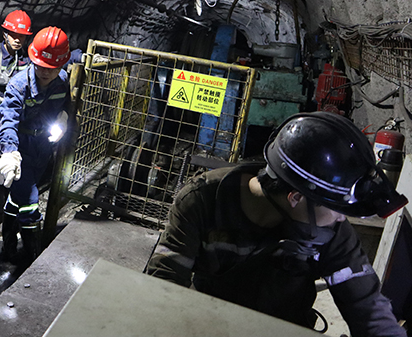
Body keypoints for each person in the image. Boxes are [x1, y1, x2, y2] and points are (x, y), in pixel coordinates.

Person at [146, 111, 408, 336]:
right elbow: (163, 288)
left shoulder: (329, 229)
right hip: (208, 327)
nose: (342, 218)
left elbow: (368, 307)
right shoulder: (202, 201)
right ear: (296, 197)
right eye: (337, 209)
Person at [0, 26, 72, 265]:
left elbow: (66, 105)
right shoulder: (19, 84)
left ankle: (8, 244)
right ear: (32, 59)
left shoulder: (62, 81)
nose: (46, 72)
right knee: (30, 203)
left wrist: (64, 118)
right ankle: (31, 259)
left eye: (52, 67)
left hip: (43, 148)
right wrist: (9, 152)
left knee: (17, 197)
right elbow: (8, 119)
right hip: (22, 149)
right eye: (41, 66)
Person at [0, 10, 33, 221]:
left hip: (18, 120)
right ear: (4, 33)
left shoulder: (30, 60)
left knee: (15, 161)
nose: (18, 40)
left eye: (22, 36)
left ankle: (14, 202)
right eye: (14, 35)